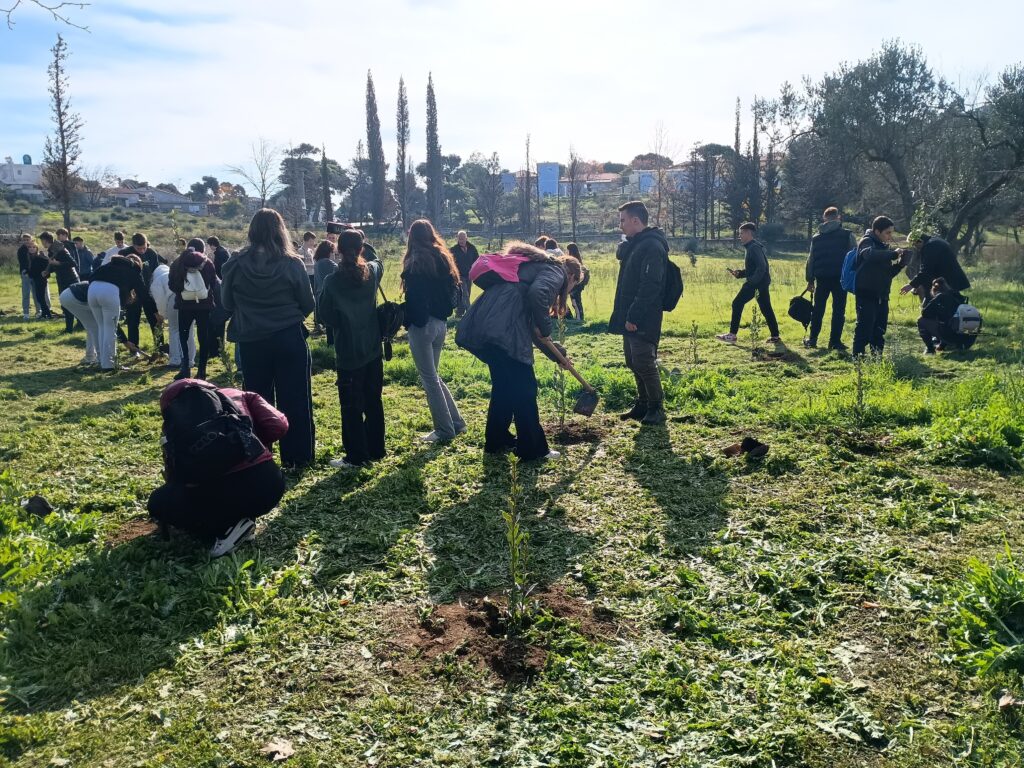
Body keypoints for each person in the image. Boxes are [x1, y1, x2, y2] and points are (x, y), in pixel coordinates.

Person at [456, 242, 581, 461]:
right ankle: (533, 449)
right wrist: (547, 327)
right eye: (573, 285)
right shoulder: (555, 271)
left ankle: (497, 440)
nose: (569, 291)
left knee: (504, 386)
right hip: (503, 331)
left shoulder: (532, 270)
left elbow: (534, 329)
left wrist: (557, 355)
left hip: (486, 324)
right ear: (571, 276)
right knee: (525, 388)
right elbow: (538, 296)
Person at [147, 379, 288, 557]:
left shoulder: (174, 421)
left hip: (219, 495)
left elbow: (178, 477)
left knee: (158, 502)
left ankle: (225, 528)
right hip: (270, 484)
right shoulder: (238, 394)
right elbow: (279, 426)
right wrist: (252, 444)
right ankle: (241, 520)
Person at [221, 209, 316, 469]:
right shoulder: (292, 263)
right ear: (280, 230)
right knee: (295, 398)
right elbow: (308, 303)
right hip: (288, 336)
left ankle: (261, 455)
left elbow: (227, 302)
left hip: (252, 340)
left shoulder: (235, 263)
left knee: (257, 400)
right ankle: (298, 457)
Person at [318, 229, 386, 468]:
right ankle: (377, 448)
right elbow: (378, 260)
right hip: (372, 347)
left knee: (350, 406)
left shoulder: (332, 281)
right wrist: (364, 241)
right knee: (373, 400)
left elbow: (325, 314)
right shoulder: (372, 273)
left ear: (338, 250)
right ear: (361, 249)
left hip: (348, 351)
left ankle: (356, 456)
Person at [402, 219, 465, 443]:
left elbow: (415, 297)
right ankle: (456, 423)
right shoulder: (443, 257)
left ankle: (444, 430)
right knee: (434, 377)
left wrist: (410, 320)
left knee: (429, 379)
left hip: (422, 325)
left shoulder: (415, 262)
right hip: (441, 323)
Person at [611, 201, 671, 426]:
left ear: (636, 220)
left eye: (623, 220)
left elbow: (651, 285)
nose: (621, 226)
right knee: (632, 360)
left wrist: (634, 316)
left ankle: (656, 407)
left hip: (644, 316)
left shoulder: (652, 246)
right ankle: (643, 403)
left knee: (644, 361)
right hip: (630, 314)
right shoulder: (636, 244)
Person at [852, 216, 911, 357]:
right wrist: (893, 254)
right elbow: (869, 255)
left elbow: (887, 274)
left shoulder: (884, 247)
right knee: (864, 328)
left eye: (892, 233)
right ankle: (858, 359)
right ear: (877, 231)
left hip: (882, 295)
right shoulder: (867, 241)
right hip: (866, 294)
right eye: (888, 233)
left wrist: (901, 264)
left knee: (879, 330)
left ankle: (877, 359)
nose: (890, 236)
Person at [88, 254, 159, 371]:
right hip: (109, 292)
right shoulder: (133, 270)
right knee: (110, 328)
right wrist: (155, 312)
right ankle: (109, 364)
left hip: (91, 290)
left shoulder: (108, 266)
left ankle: (102, 360)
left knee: (101, 327)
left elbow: (91, 277)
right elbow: (144, 294)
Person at [717, 222, 782, 348]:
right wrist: (740, 273)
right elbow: (754, 268)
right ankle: (775, 336)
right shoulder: (751, 247)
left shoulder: (754, 248)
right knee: (766, 308)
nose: (739, 236)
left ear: (748, 233)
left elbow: (762, 267)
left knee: (737, 303)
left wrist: (752, 282)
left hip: (756, 283)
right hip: (761, 282)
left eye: (741, 233)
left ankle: (732, 335)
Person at [804, 207, 856, 350]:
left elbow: (811, 260)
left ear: (824, 219)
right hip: (841, 278)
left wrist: (810, 280)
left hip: (822, 278)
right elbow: (855, 257)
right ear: (838, 217)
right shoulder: (847, 235)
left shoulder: (816, 238)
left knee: (818, 309)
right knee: (839, 310)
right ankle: (834, 342)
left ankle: (813, 339)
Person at [169, 238, 218, 381]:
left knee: (183, 336)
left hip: (184, 306)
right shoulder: (207, 262)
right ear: (202, 249)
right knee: (204, 337)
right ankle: (202, 370)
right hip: (204, 306)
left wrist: (183, 292)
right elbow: (214, 283)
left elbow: (172, 285)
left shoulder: (178, 262)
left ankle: (185, 369)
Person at [118, 233, 163, 351]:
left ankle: (160, 347)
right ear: (133, 245)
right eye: (139, 249)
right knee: (133, 321)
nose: (142, 251)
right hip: (132, 293)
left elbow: (156, 272)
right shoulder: (124, 253)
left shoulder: (152, 253)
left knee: (155, 319)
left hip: (149, 292)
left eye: (144, 247)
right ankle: (134, 348)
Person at [150, 259, 195, 371]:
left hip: (174, 299)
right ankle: (190, 360)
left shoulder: (158, 279)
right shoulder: (176, 273)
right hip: (191, 297)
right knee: (189, 330)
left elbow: (159, 300)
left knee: (174, 329)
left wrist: (162, 314)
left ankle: (175, 360)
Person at [901, 233, 970, 299]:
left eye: (914, 244)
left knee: (944, 305)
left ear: (919, 241)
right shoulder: (935, 241)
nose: (915, 247)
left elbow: (926, 270)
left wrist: (911, 285)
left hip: (947, 281)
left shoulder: (929, 247)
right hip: (951, 279)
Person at [918, 278, 974, 353]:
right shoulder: (958, 296)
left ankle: (930, 350)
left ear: (934, 289)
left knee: (921, 320)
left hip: (952, 337)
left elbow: (924, 313)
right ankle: (944, 346)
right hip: (968, 341)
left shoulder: (940, 296)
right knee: (947, 322)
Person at [40, 231, 80, 333]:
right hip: (62, 280)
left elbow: (73, 263)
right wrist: (47, 271)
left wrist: (58, 263)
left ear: (45, 241)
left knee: (74, 303)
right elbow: (55, 266)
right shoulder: (51, 251)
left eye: (42, 241)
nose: (41, 243)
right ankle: (69, 328)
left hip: (71, 280)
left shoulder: (61, 250)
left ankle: (77, 326)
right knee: (65, 304)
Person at [58, 281, 100, 365]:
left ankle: (90, 356)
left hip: (68, 295)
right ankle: (99, 358)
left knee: (92, 327)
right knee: (94, 326)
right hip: (72, 297)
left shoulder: (102, 285)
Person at [312, 239, 337, 342]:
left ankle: (329, 344)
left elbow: (315, 283)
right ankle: (332, 344)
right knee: (332, 324)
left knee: (327, 323)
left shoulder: (317, 263)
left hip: (319, 295)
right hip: (329, 296)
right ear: (329, 252)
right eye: (333, 252)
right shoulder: (329, 263)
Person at [451, 230, 479, 316]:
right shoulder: (453, 250)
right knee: (464, 294)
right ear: (457, 239)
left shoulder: (472, 248)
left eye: (463, 239)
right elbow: (450, 262)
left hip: (469, 275)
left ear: (466, 238)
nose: (461, 240)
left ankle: (459, 313)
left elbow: (477, 260)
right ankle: (470, 313)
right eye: (460, 239)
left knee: (466, 294)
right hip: (459, 276)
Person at [16, 233, 44, 319]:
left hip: (35, 273)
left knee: (36, 293)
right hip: (25, 273)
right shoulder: (21, 250)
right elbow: (23, 263)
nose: (26, 241)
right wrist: (26, 272)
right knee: (26, 293)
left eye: (27, 239)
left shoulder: (35, 247)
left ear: (31, 239)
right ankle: (26, 313)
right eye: (24, 240)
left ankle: (38, 311)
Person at [26, 238, 54, 319]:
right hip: (35, 279)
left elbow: (49, 265)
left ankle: (48, 314)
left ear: (37, 248)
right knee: (39, 298)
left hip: (41, 280)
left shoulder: (41, 257)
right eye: (30, 247)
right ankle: (45, 314)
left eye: (34, 247)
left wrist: (45, 273)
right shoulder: (29, 257)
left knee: (40, 298)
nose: (32, 249)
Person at [565, 243, 589, 322]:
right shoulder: (578, 258)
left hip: (576, 283)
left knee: (575, 301)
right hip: (579, 283)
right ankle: (579, 317)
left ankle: (579, 319)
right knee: (576, 301)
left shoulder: (573, 259)